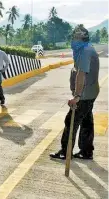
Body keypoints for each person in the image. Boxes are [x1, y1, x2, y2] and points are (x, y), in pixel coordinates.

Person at [50, 25, 99, 160]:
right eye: (74, 37)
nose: (74, 40)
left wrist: (77, 96)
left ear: (83, 38)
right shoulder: (88, 48)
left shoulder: (84, 51)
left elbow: (81, 75)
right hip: (91, 93)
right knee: (86, 121)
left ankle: (66, 151)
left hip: (84, 95)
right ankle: (86, 151)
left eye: (77, 37)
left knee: (71, 120)